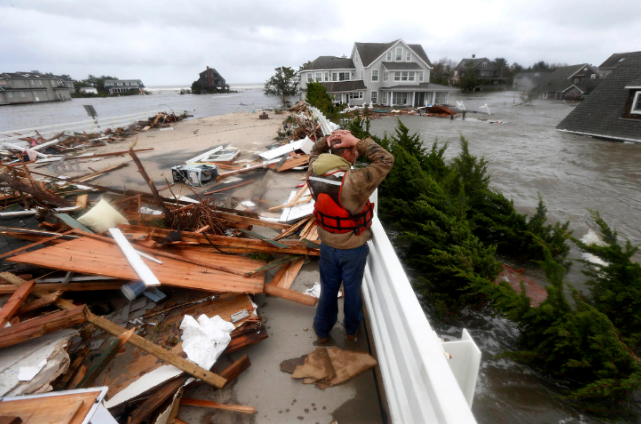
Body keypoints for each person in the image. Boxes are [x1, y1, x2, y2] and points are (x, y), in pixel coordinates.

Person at [307, 129, 394, 342]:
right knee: (352, 292)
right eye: (354, 150)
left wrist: (326, 142)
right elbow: (385, 159)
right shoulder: (355, 180)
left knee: (328, 290)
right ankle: (351, 330)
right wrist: (357, 140)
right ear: (346, 154)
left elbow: (314, 152)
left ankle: (322, 331)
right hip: (352, 248)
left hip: (327, 245)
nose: (356, 153)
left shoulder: (312, 171)